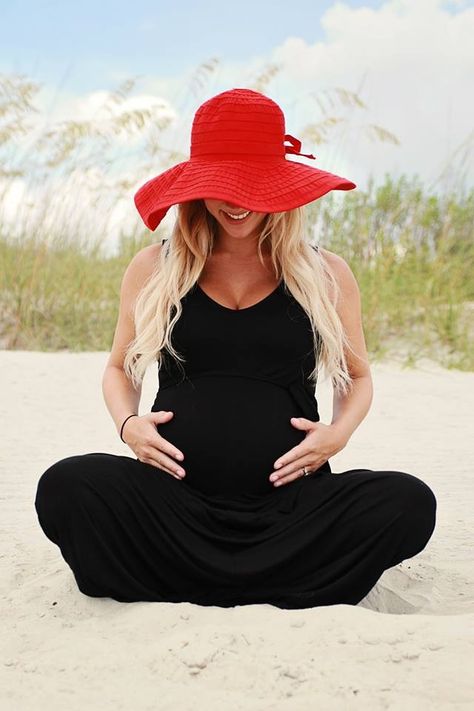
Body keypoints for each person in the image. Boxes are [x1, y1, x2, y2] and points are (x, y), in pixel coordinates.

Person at [34, 87, 437, 608]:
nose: (234, 200)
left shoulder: (325, 272)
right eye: (221, 184)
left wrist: (337, 436)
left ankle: (192, 581)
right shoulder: (155, 268)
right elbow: (119, 368)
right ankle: (274, 584)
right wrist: (128, 426)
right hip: (173, 501)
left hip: (291, 507)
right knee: (67, 486)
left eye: (250, 184)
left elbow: (356, 377)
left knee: (408, 501)